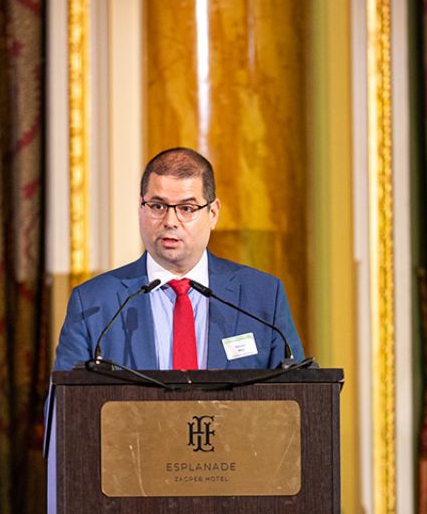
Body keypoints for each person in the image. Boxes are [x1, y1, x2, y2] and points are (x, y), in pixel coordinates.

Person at [52, 147, 303, 371]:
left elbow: (295, 396)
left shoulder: (262, 297)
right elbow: (64, 404)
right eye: (157, 206)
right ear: (141, 208)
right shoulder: (94, 302)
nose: (170, 221)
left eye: (187, 209)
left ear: (213, 213)